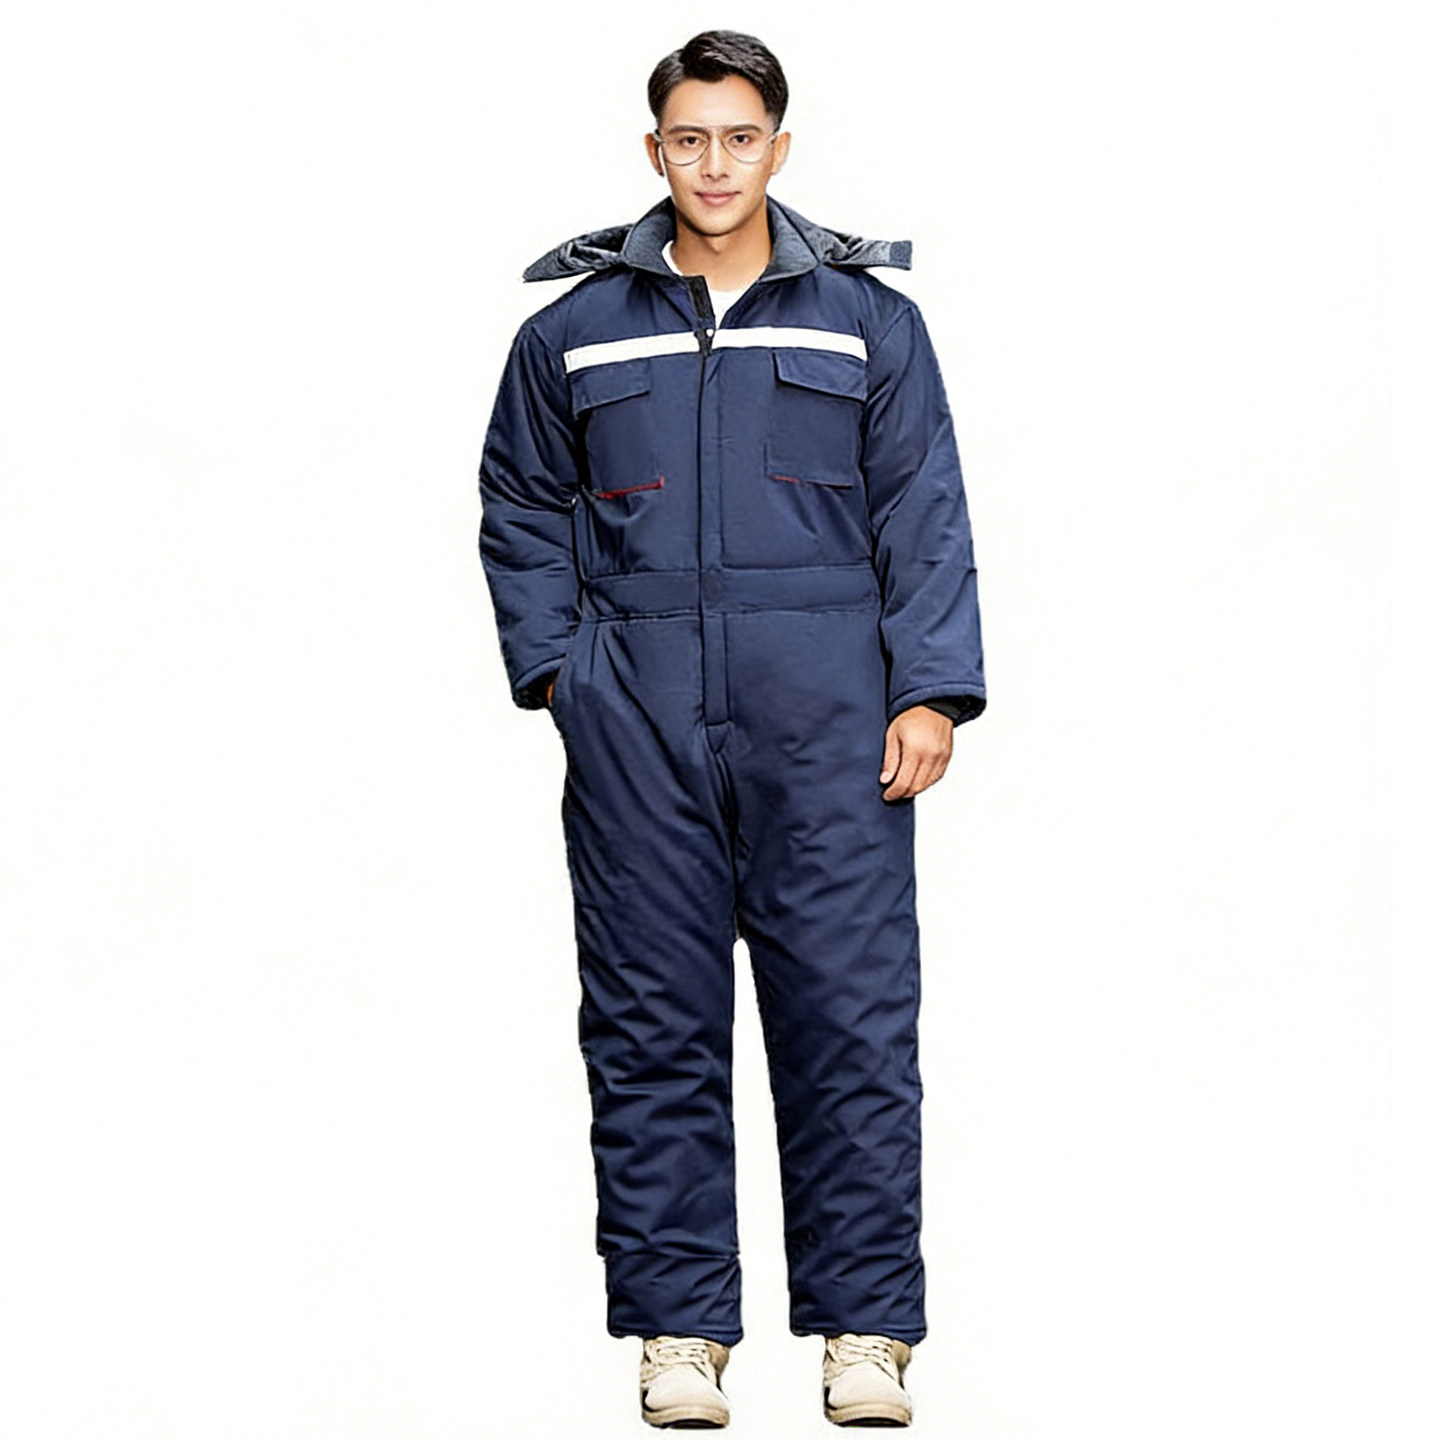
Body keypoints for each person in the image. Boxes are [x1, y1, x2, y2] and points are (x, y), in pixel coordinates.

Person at [477, 28, 985, 1429]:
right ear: (656, 150)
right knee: (651, 1023)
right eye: (689, 139)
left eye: (740, 137)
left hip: (830, 715)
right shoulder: (572, 333)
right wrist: (562, 674)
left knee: (850, 1024)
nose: (714, 164)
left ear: (779, 146)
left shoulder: (868, 322)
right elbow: (521, 506)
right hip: (636, 715)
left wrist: (930, 688)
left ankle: (866, 1333)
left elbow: (924, 510)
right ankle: (679, 1335)